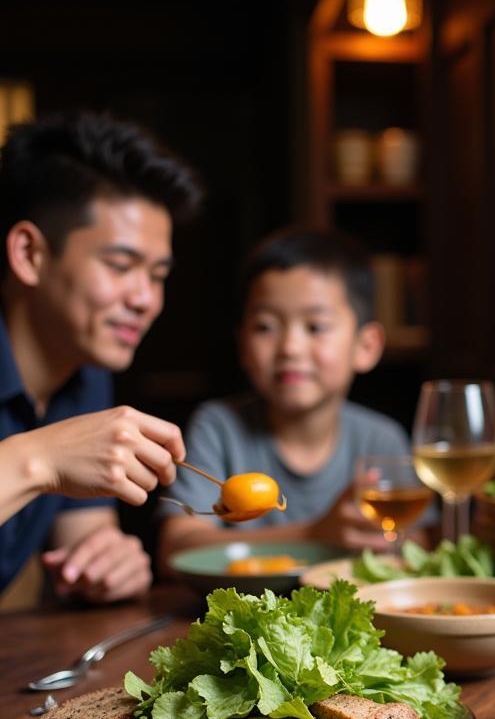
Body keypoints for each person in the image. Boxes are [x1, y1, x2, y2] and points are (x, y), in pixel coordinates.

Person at [0, 110, 201, 603]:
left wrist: (109, 562)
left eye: (157, 275)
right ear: (29, 253)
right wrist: (39, 457)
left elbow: (82, 540)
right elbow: (47, 462)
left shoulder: (85, 367)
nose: (145, 300)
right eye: (120, 265)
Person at [157, 226, 415, 567]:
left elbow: (417, 542)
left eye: (315, 327)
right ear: (242, 346)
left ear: (366, 346)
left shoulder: (381, 439)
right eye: (265, 327)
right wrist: (313, 536)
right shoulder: (219, 427)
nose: (290, 348)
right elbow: (176, 547)